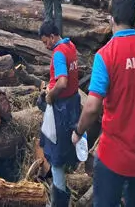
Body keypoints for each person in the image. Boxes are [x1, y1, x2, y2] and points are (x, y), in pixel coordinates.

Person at [72, 0, 135, 207]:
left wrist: (78, 132)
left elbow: (92, 107)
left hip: (112, 157)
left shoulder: (106, 55)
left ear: (111, 20)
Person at [37, 20, 81, 207]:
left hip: (61, 106)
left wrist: (50, 96)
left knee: (55, 153)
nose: (46, 46)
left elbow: (62, 81)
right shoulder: (70, 45)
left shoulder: (59, 53)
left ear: (53, 36)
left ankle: (60, 199)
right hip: (73, 103)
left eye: (46, 41)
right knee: (65, 146)